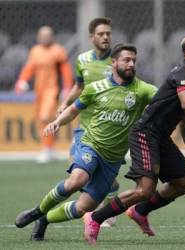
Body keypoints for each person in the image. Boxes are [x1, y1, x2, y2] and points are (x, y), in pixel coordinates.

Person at [83, 34, 185, 245]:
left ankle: (140, 212)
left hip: (160, 137)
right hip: (145, 134)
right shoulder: (184, 75)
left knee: (184, 183)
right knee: (145, 190)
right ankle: (95, 218)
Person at [14, 44, 157, 242]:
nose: (131, 64)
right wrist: (57, 122)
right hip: (91, 145)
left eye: (134, 60)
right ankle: (37, 211)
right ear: (114, 63)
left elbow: (165, 98)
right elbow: (74, 110)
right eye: (127, 60)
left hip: (113, 160)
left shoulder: (143, 90)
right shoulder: (95, 88)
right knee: (77, 180)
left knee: (84, 207)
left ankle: (44, 220)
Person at [57, 17, 119, 227]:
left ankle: (108, 211)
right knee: (77, 170)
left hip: (109, 128)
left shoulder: (118, 60)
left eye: (108, 34)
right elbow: (79, 86)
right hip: (85, 125)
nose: (105, 37)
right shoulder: (83, 59)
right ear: (91, 37)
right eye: (101, 34)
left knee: (107, 179)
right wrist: (65, 103)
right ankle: (92, 211)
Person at [14, 25, 73, 163]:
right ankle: (49, 148)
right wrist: (21, 81)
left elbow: (66, 71)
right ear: (38, 37)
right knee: (41, 119)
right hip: (39, 91)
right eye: (42, 35)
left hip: (52, 89)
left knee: (46, 116)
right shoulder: (35, 51)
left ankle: (47, 149)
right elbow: (29, 68)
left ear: (52, 37)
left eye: (47, 35)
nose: (45, 38)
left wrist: (67, 87)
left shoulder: (58, 51)